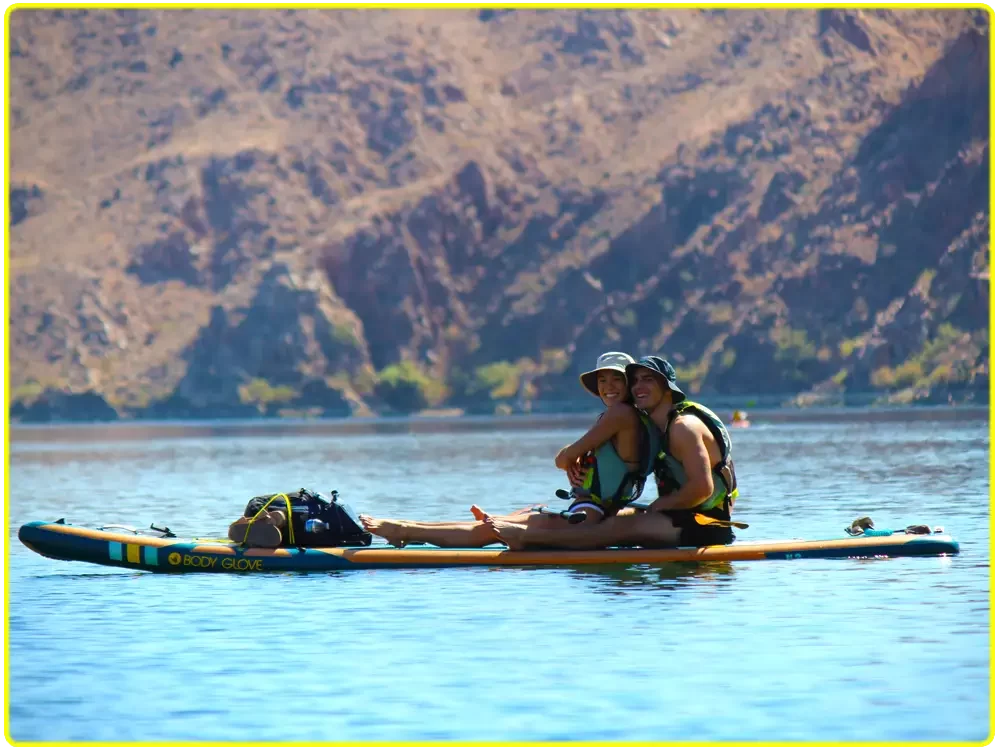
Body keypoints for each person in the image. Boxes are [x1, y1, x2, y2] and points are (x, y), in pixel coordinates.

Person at [358, 352, 661, 548]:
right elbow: (577, 460)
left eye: (617, 379)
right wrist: (577, 460)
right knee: (490, 526)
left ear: (628, 384)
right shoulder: (628, 417)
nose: (608, 386)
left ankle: (406, 530)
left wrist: (574, 458)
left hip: (590, 513)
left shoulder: (620, 414)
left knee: (489, 531)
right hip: (590, 508)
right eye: (603, 379)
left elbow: (562, 458)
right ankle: (405, 527)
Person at [485, 355, 742, 551]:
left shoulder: (684, 427)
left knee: (618, 528)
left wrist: (658, 506)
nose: (638, 387)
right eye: (636, 381)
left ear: (667, 388)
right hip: (680, 516)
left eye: (648, 380)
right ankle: (515, 528)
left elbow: (702, 489)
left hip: (706, 525)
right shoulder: (656, 428)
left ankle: (525, 539)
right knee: (614, 518)